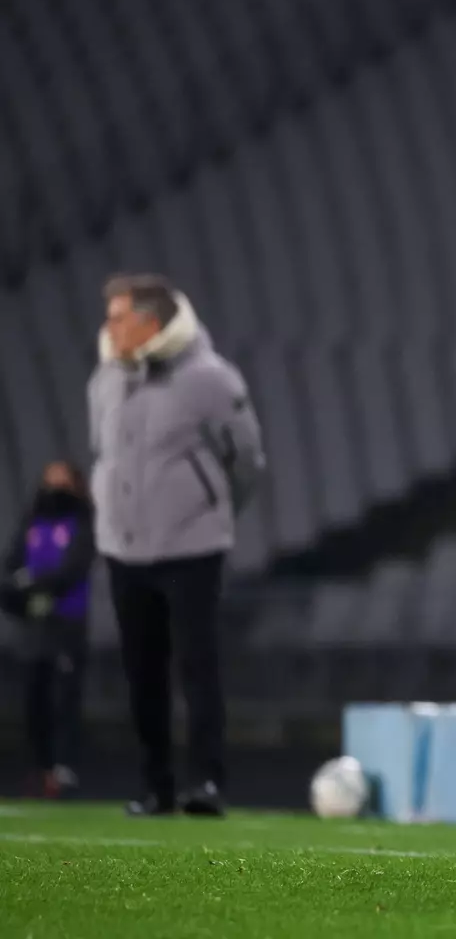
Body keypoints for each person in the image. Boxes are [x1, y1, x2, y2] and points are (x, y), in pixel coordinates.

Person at [89, 273, 265, 818]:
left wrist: (208, 514)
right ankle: (155, 786)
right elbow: (103, 453)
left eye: (119, 316)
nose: (109, 327)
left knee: (197, 668)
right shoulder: (105, 380)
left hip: (192, 547)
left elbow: (248, 462)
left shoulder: (209, 378)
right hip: (123, 549)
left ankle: (206, 784)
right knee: (142, 671)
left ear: (151, 322)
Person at [2, 461, 96, 798]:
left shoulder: (81, 525)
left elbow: (70, 570)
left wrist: (36, 584)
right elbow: (12, 564)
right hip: (34, 631)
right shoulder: (32, 523)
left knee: (64, 701)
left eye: (61, 482)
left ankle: (64, 768)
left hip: (66, 628)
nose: (54, 488)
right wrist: (21, 592)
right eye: (49, 481)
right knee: (35, 701)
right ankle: (41, 767)